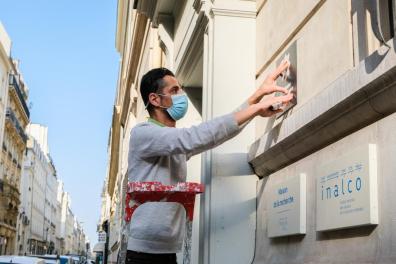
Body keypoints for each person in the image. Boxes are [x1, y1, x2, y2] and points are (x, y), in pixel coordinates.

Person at [126, 62, 293, 264]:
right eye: (174, 90)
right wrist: (256, 108)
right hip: (143, 255)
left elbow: (215, 135)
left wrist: (256, 97)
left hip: (169, 252)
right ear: (155, 99)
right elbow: (197, 136)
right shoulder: (143, 134)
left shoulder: (173, 143)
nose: (182, 96)